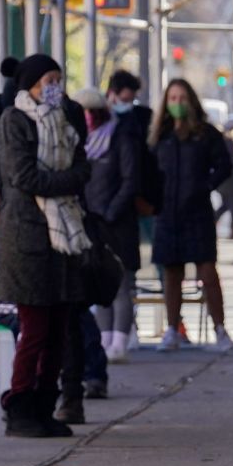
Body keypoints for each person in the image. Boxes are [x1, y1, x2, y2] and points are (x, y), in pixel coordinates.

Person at [0, 54, 91, 438]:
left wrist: (67, 178)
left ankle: (46, 406)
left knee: (59, 330)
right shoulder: (13, 120)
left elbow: (84, 167)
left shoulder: (67, 119)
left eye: (58, 79)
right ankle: (20, 407)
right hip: (28, 239)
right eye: (48, 79)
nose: (55, 86)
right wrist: (67, 180)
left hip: (64, 238)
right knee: (34, 329)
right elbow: (24, 176)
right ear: (30, 84)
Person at [149, 79, 233, 352]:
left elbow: (224, 166)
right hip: (167, 214)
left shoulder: (206, 134)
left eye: (181, 98)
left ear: (191, 101)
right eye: (172, 98)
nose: (177, 103)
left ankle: (220, 329)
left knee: (207, 272)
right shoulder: (160, 136)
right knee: (171, 273)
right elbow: (149, 171)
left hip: (197, 212)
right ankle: (173, 329)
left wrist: (204, 186)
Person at [75, 87, 141, 364]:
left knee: (122, 284)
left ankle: (120, 341)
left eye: (91, 111)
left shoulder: (120, 137)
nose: (87, 117)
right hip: (92, 223)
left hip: (118, 223)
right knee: (100, 285)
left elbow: (130, 179)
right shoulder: (79, 142)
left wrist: (112, 211)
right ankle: (104, 340)